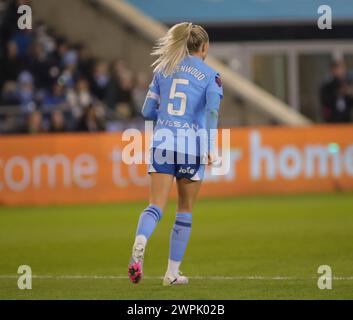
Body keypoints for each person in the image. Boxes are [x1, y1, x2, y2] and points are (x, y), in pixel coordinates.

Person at [127, 22, 223, 286]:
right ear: (204, 47)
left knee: (155, 206)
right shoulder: (211, 76)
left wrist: (168, 116)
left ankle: (140, 243)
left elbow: (147, 112)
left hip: (163, 142)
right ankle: (171, 274)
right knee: (184, 208)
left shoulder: (163, 69)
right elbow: (213, 113)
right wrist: (210, 146)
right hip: (191, 146)